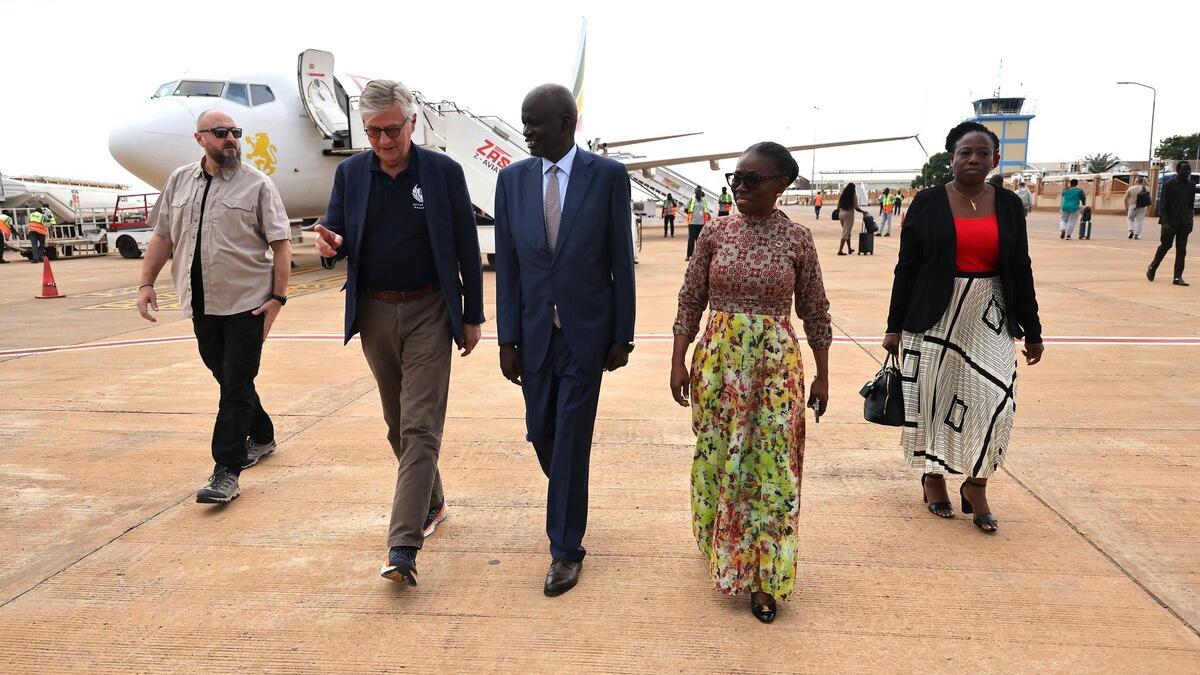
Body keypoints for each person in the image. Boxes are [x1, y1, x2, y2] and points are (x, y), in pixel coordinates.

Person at [313, 79, 485, 586]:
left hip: (431, 308)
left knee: (420, 427)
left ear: (411, 122)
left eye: (393, 129)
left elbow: (465, 248)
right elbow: (337, 233)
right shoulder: (350, 174)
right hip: (374, 314)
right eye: (374, 132)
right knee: (396, 423)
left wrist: (471, 315)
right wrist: (330, 248)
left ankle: (403, 546)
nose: (386, 141)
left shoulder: (443, 173)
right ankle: (432, 502)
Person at [670, 141, 831, 623]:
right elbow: (689, 299)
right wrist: (678, 360)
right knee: (720, 456)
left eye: (752, 180)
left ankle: (764, 578)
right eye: (735, 180)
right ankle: (725, 551)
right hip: (718, 364)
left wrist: (824, 374)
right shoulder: (714, 233)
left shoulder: (798, 239)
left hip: (775, 370)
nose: (740, 187)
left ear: (782, 184)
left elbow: (815, 310)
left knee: (773, 467)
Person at [494, 84, 636, 597]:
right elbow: (507, 267)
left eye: (534, 123)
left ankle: (565, 549)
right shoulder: (511, 181)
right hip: (532, 333)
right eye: (524, 121)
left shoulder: (608, 177)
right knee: (541, 433)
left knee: (572, 438)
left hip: (586, 334)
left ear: (566, 124)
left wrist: (624, 335)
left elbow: (621, 259)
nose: (526, 131)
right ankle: (568, 495)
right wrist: (505, 338)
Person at [883, 121, 1044, 534]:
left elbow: (1020, 266)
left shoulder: (1008, 204)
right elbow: (907, 266)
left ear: (995, 159)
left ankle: (976, 484)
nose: (973, 160)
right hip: (933, 312)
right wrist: (894, 325)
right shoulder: (928, 202)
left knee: (998, 401)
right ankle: (933, 478)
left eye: (982, 153)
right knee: (934, 400)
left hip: (989, 311)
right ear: (951, 157)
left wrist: (1033, 327)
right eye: (964, 153)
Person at [136, 109, 292, 504]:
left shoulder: (257, 185)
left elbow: (281, 243)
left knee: (236, 383)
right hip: (202, 304)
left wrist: (277, 298)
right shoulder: (179, 181)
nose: (231, 139)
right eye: (221, 132)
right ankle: (263, 433)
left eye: (236, 132)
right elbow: (162, 236)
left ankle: (226, 470)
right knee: (224, 375)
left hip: (248, 304)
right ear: (200, 138)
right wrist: (145, 283)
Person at [1147, 161, 1195, 286]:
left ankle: (1177, 277)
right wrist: (1165, 222)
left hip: (1184, 222)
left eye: (1188, 170)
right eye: (1184, 170)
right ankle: (1153, 267)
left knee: (1182, 249)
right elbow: (1163, 205)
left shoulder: (1191, 185)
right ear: (1178, 170)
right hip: (1170, 222)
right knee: (1165, 246)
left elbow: (1190, 206)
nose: (1186, 172)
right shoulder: (1169, 185)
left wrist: (1190, 222)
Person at [836, 183, 866, 255]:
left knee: (847, 232)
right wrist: (863, 211)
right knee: (846, 233)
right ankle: (840, 250)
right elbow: (856, 207)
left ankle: (849, 248)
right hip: (849, 214)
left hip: (841, 214)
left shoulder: (843, 195)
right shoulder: (853, 196)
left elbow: (838, 206)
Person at [685, 185, 710, 260]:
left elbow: (706, 211)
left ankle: (699, 256)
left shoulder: (704, 200)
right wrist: (691, 215)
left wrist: (708, 218)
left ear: (700, 192)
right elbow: (686, 209)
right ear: (695, 192)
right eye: (697, 191)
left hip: (701, 223)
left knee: (699, 240)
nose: (698, 193)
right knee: (691, 239)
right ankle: (688, 255)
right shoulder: (691, 199)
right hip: (692, 223)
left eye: (699, 192)